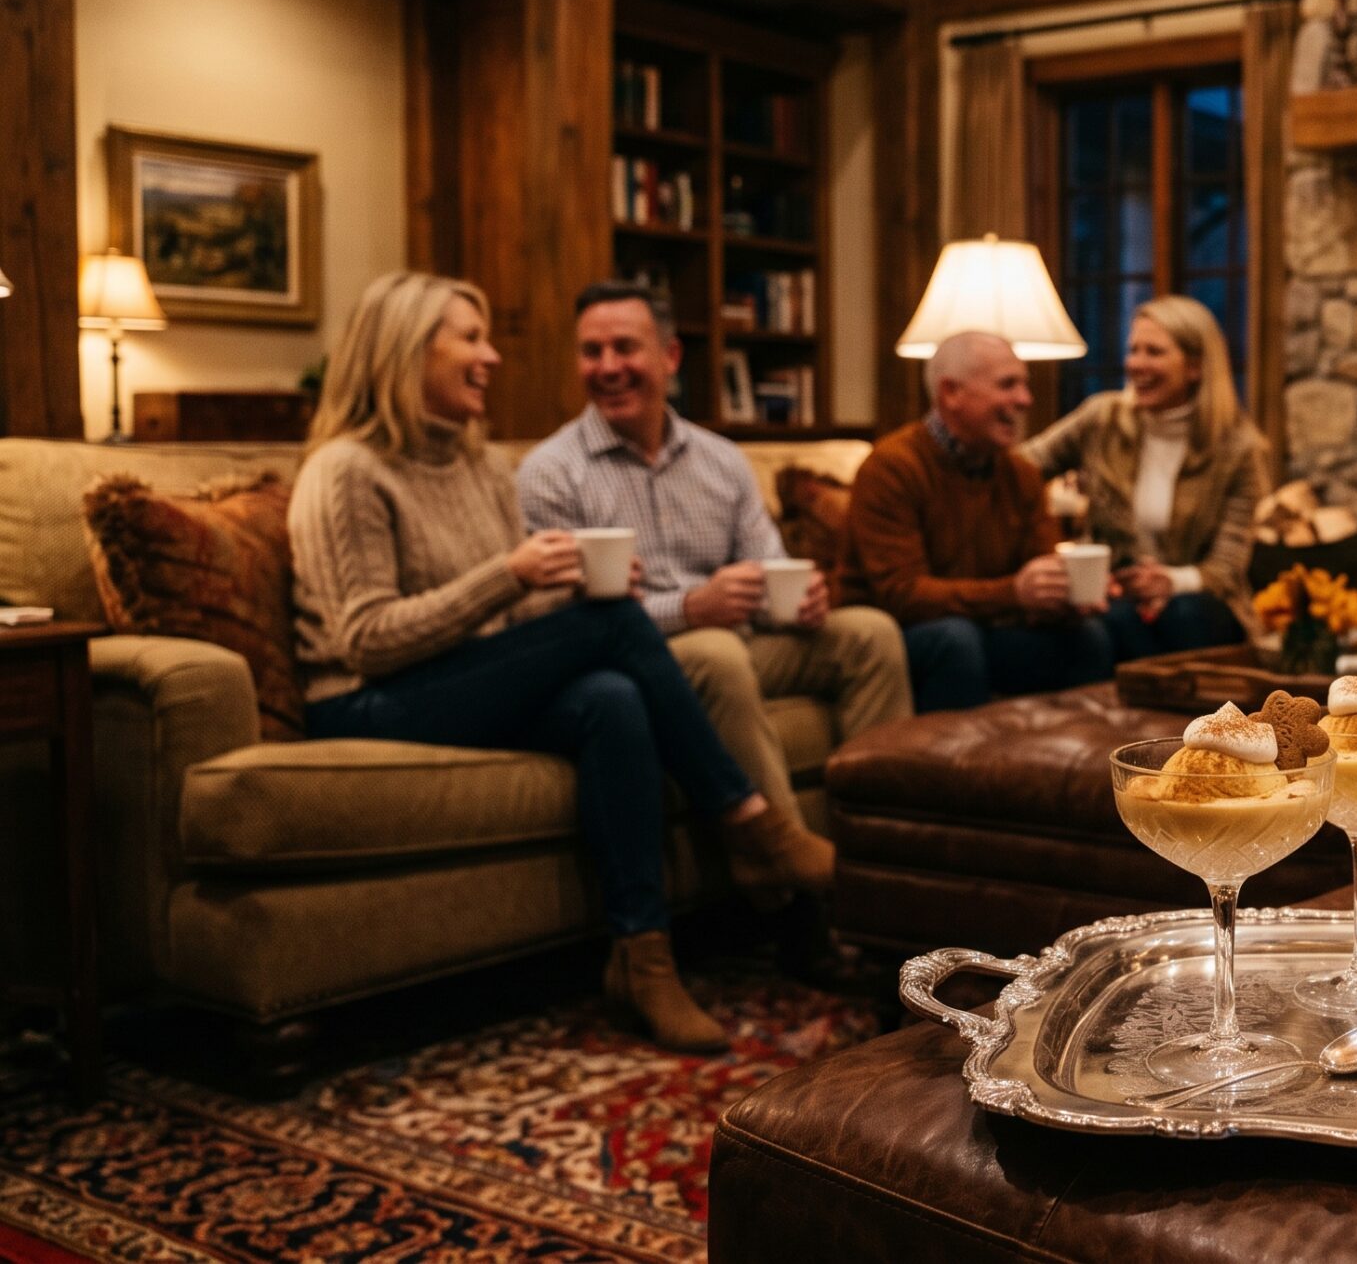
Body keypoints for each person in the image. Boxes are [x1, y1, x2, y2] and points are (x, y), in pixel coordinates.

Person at [288, 271, 836, 1053]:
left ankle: (641, 959)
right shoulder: (345, 470)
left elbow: (507, 623)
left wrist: (552, 588)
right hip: (364, 696)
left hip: (456, 679)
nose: (491, 357)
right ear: (408, 350)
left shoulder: (478, 465)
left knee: (612, 694)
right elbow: (365, 640)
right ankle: (751, 820)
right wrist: (511, 574)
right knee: (613, 622)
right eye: (469, 338)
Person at [517, 281, 912, 852]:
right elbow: (561, 623)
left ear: (670, 356)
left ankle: (885, 854)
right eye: (591, 352)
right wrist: (691, 608)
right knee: (715, 652)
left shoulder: (720, 460)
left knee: (870, 634)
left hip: (745, 636)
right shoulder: (550, 472)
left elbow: (769, 565)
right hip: (646, 657)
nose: (607, 367)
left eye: (625, 348)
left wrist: (800, 603)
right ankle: (787, 878)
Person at [837, 330, 1115, 712]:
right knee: (954, 638)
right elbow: (902, 594)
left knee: (1088, 635)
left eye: (1025, 385)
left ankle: (1078, 766)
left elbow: (1038, 564)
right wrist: (1013, 593)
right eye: (1008, 385)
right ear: (951, 393)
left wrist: (1064, 596)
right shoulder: (892, 468)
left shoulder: (1020, 474)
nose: (1025, 400)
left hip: (985, 627)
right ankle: (952, 771)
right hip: (895, 633)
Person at [1021, 295, 1270, 662]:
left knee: (1183, 615)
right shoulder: (1101, 419)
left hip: (1201, 604)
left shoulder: (1239, 449)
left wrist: (1169, 581)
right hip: (1117, 596)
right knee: (1107, 625)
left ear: (1195, 367)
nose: (1135, 364)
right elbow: (1022, 468)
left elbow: (1226, 569)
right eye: (1132, 349)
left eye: (1153, 352)